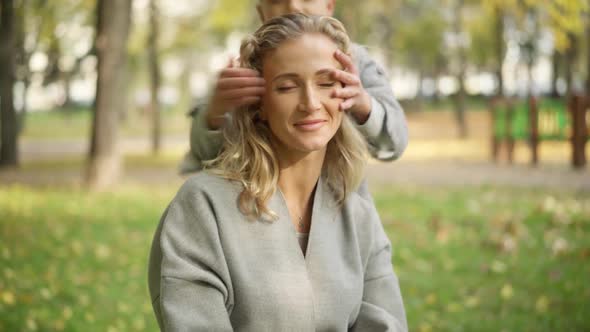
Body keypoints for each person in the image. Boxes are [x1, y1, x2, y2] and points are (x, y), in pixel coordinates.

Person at [149, 14, 407, 331]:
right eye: (287, 86)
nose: (311, 103)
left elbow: (386, 323)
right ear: (258, 103)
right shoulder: (203, 207)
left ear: (346, 93)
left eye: (327, 83)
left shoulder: (357, 212)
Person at [179, 0, 408, 174]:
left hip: (341, 206)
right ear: (261, 13)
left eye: (326, 83)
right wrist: (216, 112)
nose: (293, 6)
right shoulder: (241, 69)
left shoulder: (356, 61)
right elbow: (203, 154)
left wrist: (362, 104)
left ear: (329, 6)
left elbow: (395, 143)